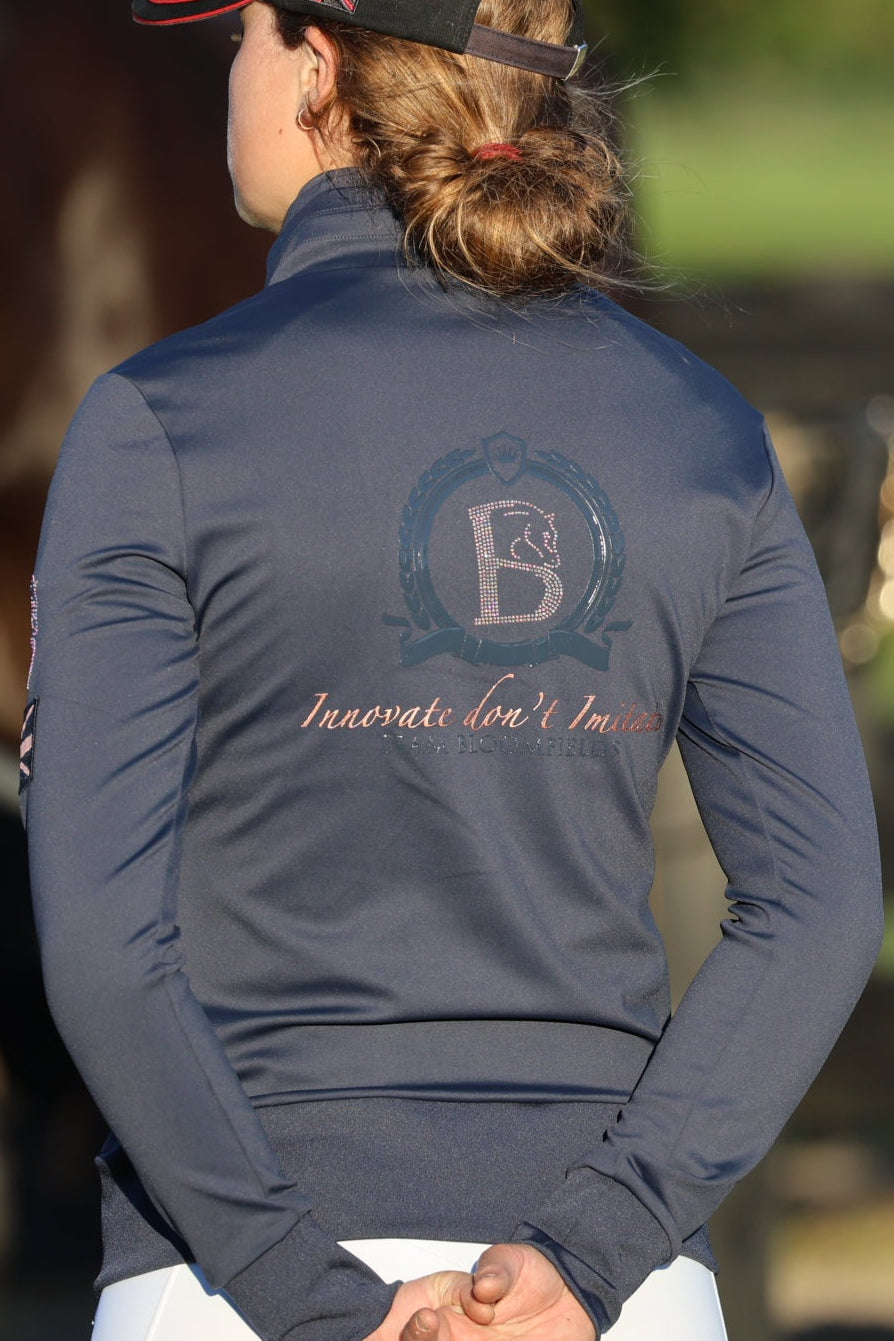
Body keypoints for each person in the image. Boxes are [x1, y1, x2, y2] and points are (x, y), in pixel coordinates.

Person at [21, 1, 883, 1338]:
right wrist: (594, 1243)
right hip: (609, 1289)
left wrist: (310, 1298)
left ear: (315, 69)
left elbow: (102, 944)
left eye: (238, 37)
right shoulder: (699, 427)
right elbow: (821, 905)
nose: (226, 78)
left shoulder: (157, 424)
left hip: (229, 1276)